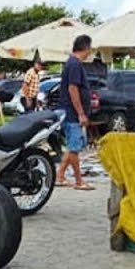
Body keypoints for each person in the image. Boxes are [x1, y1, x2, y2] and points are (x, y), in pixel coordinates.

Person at [55, 34, 94, 191]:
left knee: (72, 147)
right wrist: (81, 113)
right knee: (75, 148)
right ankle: (79, 180)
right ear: (85, 48)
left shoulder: (71, 63)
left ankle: (60, 175)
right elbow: (73, 88)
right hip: (72, 112)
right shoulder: (75, 64)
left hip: (70, 111)